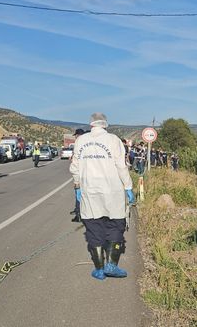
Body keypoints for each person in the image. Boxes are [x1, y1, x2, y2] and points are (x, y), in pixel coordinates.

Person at [70, 113, 134, 280]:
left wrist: (77, 185)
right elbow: (121, 166)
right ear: (105, 124)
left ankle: (99, 269)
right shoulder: (114, 140)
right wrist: (128, 186)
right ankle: (111, 265)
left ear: (91, 124)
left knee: (93, 226)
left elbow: (75, 166)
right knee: (115, 224)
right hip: (112, 190)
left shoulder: (81, 141)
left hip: (89, 190)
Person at [70, 128, 85, 223]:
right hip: (88, 174)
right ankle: (78, 211)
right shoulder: (88, 144)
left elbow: (75, 164)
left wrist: (76, 181)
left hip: (80, 175)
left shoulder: (79, 144)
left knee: (79, 195)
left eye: (76, 135)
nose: (75, 137)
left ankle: (79, 215)